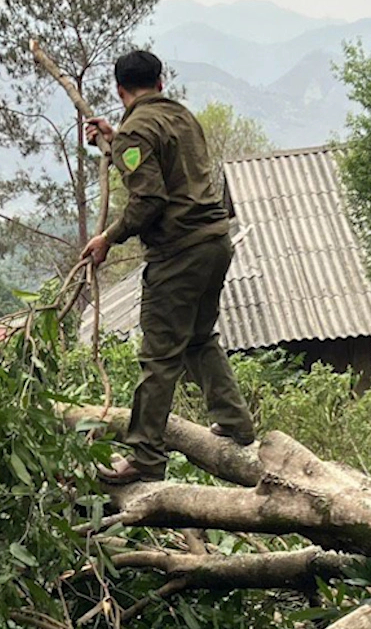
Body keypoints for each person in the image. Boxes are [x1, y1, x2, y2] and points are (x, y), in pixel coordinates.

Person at [81, 50, 256, 485]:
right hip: (215, 242)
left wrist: (108, 238)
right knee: (198, 337)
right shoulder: (181, 116)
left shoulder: (135, 131)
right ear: (160, 82)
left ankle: (144, 455)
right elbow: (151, 153)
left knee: (159, 357)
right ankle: (235, 421)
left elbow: (149, 201)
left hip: (178, 254)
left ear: (121, 91)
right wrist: (115, 138)